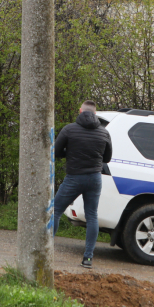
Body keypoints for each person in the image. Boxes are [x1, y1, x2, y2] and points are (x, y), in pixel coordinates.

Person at [52, 100, 112, 268]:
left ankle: (46, 249)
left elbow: (55, 152)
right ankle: (88, 258)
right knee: (92, 215)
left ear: (80, 111)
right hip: (94, 178)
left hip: (74, 178)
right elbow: (106, 158)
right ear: (95, 113)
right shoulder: (103, 132)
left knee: (56, 210)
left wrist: (71, 152)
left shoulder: (69, 129)